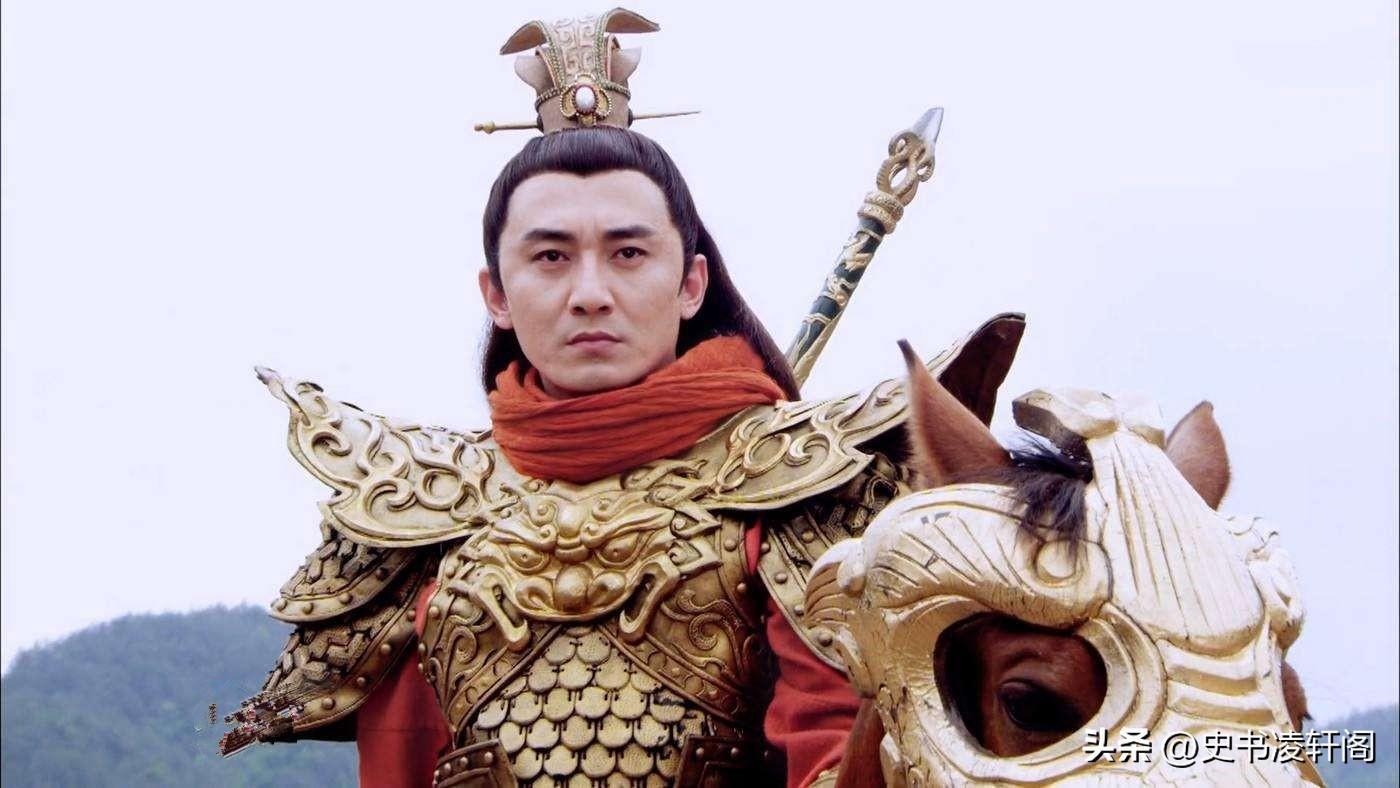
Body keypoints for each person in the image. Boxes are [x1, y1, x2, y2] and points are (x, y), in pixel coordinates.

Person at [221, 9, 1024, 787]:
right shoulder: (423, 507)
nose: (590, 293)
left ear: (691, 282)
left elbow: (851, 751)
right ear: (496, 295)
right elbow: (399, 767)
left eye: (629, 253)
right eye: (550, 257)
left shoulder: (802, 484)